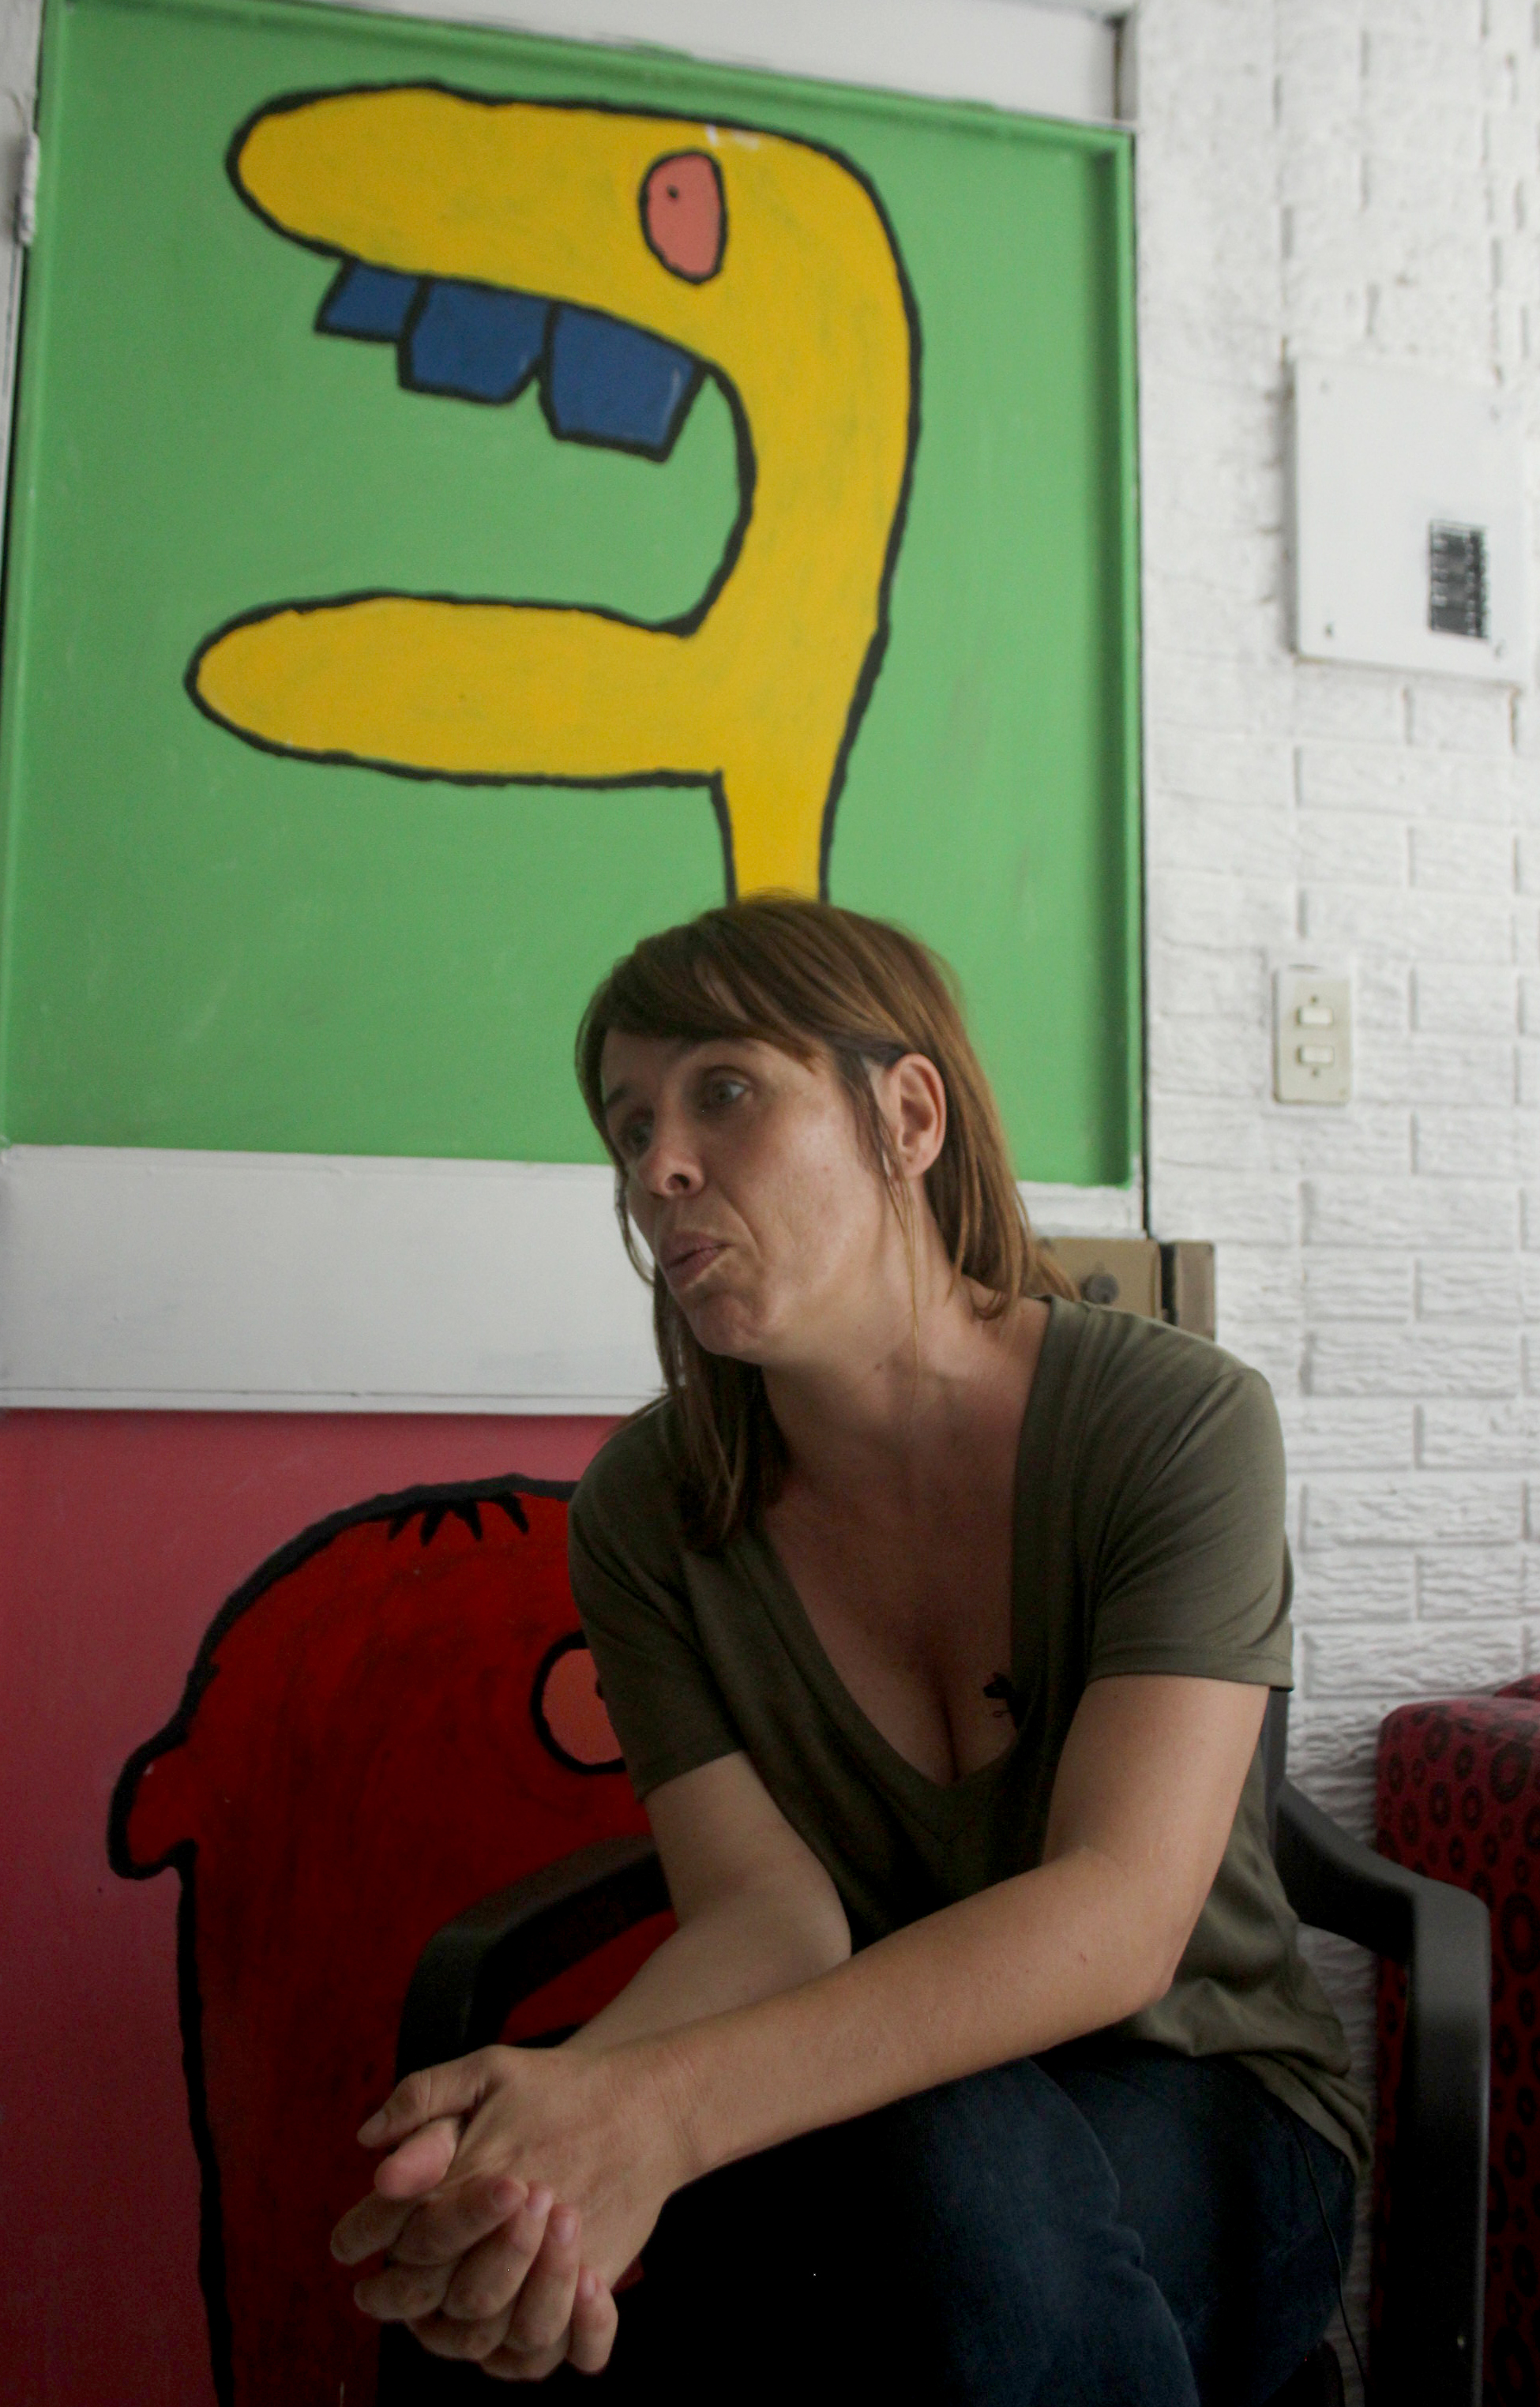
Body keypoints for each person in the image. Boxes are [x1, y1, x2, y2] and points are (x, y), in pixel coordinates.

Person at [332, 898, 1368, 2405]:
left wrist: (661, 2118)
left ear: (908, 1115)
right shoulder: (646, 1512)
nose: (659, 1166)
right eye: (629, 1127)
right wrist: (557, 2134)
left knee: (922, 2188)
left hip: (1208, 2093)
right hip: (869, 2123)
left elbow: (1119, 1914)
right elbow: (769, 1917)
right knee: (518, 2233)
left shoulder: (1178, 1422)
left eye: (724, 1092)